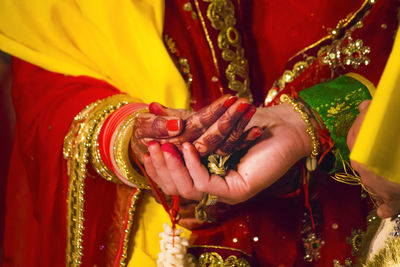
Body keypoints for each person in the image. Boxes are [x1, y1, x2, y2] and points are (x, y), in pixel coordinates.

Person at [0, 0, 399, 267]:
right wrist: (124, 135)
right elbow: (48, 61)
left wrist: (316, 118)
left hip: (353, 222)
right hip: (161, 239)